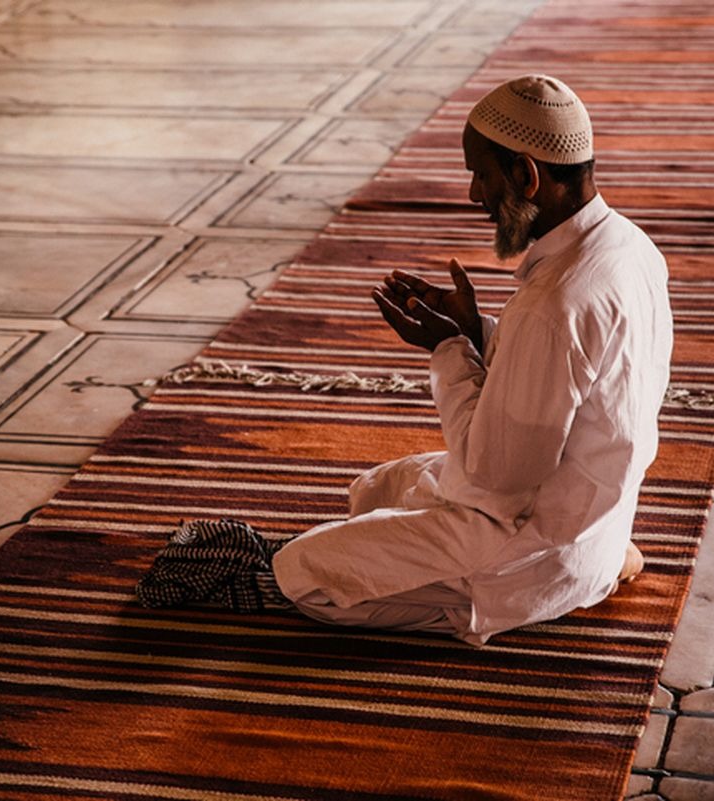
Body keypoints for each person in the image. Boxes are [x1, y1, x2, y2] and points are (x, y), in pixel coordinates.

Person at [266, 74, 674, 645]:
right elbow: (570, 374)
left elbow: (494, 475)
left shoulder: (552, 305)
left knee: (302, 574)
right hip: (582, 506)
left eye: (481, 175)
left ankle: (516, 598)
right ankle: (597, 558)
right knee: (375, 489)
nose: (474, 196)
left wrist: (448, 350)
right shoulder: (629, 247)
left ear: (527, 175)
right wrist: (473, 329)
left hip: (522, 538)